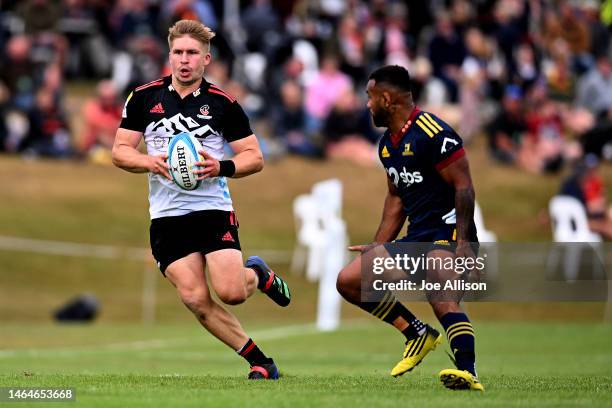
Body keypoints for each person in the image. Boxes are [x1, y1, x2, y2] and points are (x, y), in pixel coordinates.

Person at [111, 19, 291, 380]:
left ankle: (256, 273)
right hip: (166, 215)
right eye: (178, 52)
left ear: (206, 59)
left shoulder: (222, 104)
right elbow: (119, 151)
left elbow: (254, 156)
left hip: (212, 208)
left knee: (231, 292)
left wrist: (220, 166)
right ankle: (261, 362)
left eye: (192, 53)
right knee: (194, 297)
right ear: (169, 56)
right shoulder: (145, 98)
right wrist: (149, 160)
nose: (184, 60)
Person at [336, 65, 484, 391]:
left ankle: (467, 371)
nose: (367, 104)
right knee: (349, 281)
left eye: (370, 97)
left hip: (450, 235)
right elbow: (395, 199)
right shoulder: (387, 145)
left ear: (387, 99)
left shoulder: (434, 134)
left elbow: (464, 187)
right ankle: (416, 333)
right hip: (417, 238)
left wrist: (462, 244)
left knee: (440, 293)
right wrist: (378, 245)